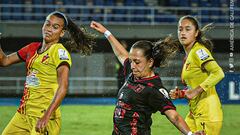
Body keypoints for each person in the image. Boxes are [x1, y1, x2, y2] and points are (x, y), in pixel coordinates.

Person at [90, 21, 205, 135]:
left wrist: (190, 134)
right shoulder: (133, 73)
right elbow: (121, 54)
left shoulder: (154, 88)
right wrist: (106, 32)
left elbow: (174, 116)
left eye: (137, 62)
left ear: (150, 62)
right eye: (131, 61)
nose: (132, 66)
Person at [1, 11, 95, 135]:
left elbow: (63, 86)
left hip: (44, 117)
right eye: (47, 24)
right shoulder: (32, 48)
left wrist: (46, 116)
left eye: (55, 27)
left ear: (62, 33)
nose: (49, 29)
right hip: (23, 114)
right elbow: (4, 61)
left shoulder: (59, 51)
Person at [169, 15, 225, 135]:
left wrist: (195, 91)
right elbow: (194, 85)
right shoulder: (189, 55)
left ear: (196, 33)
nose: (183, 32)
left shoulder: (199, 51)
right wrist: (182, 93)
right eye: (180, 29)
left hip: (207, 113)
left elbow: (218, 73)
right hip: (194, 113)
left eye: (188, 29)